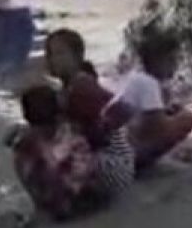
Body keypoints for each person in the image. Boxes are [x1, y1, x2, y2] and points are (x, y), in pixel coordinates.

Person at [43, 29, 135, 194]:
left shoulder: (81, 85)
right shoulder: (69, 88)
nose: (53, 59)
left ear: (77, 57)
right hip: (110, 162)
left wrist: (96, 131)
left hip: (112, 165)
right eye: (49, 54)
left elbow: (122, 112)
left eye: (59, 53)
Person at [12, 85, 108, 221]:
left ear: (27, 117)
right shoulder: (72, 131)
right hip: (87, 200)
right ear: (58, 112)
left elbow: (33, 185)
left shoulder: (22, 148)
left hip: (58, 210)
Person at [116, 28, 192, 173]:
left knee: (173, 114)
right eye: (172, 60)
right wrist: (178, 116)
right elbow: (157, 126)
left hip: (123, 145)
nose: (176, 65)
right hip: (126, 153)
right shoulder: (148, 84)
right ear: (159, 60)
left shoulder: (137, 77)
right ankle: (144, 163)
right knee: (188, 118)